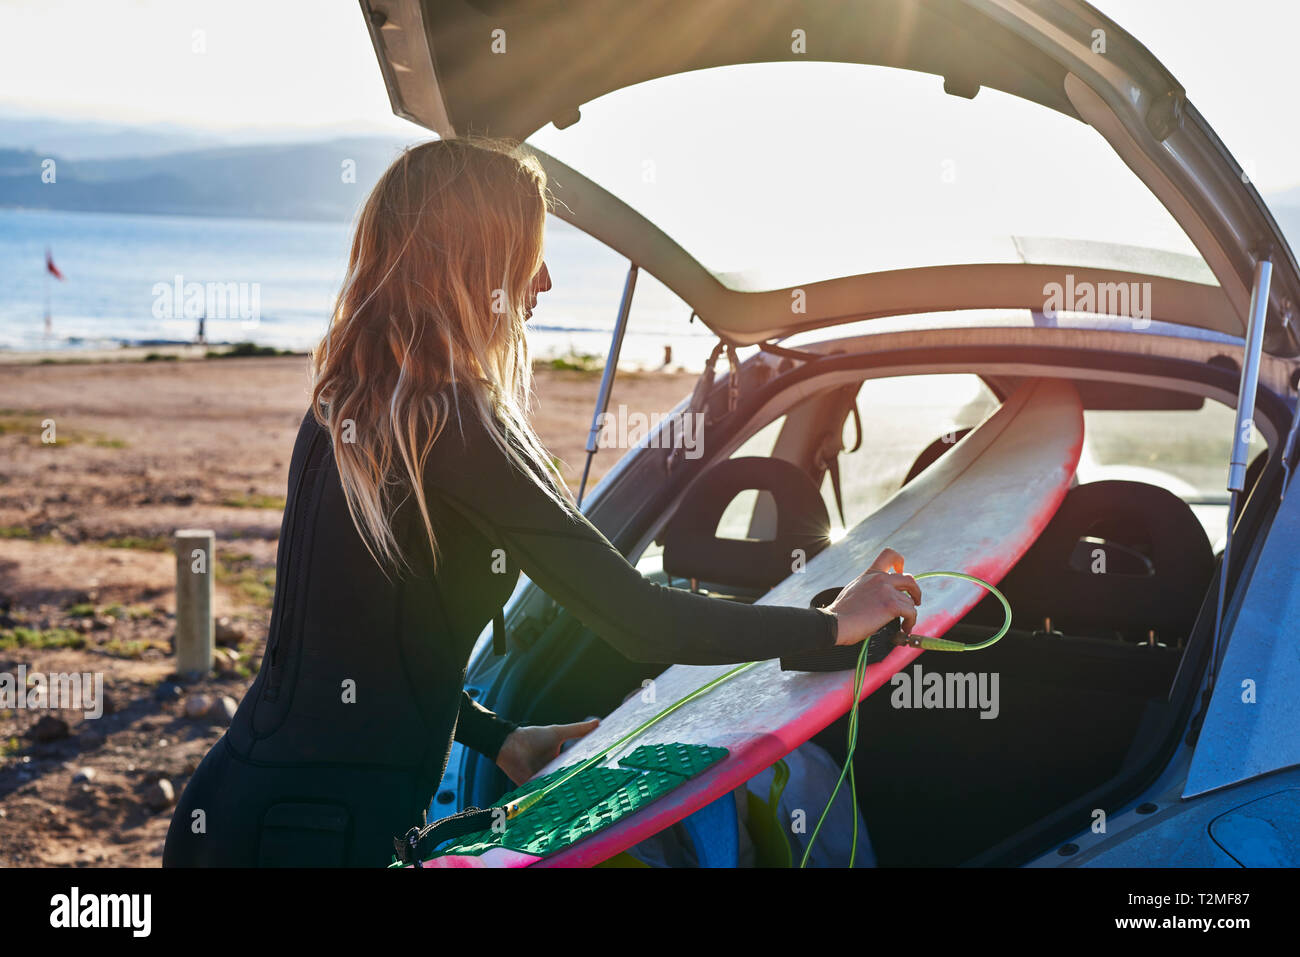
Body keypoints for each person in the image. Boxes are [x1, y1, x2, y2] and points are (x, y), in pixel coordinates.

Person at [162, 137, 922, 867]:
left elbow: (357, 648)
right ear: (471, 264)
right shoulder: (450, 425)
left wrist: (499, 738)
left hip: (251, 810)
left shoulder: (348, 408)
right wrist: (829, 625)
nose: (547, 279)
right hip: (317, 837)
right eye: (530, 250)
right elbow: (638, 617)